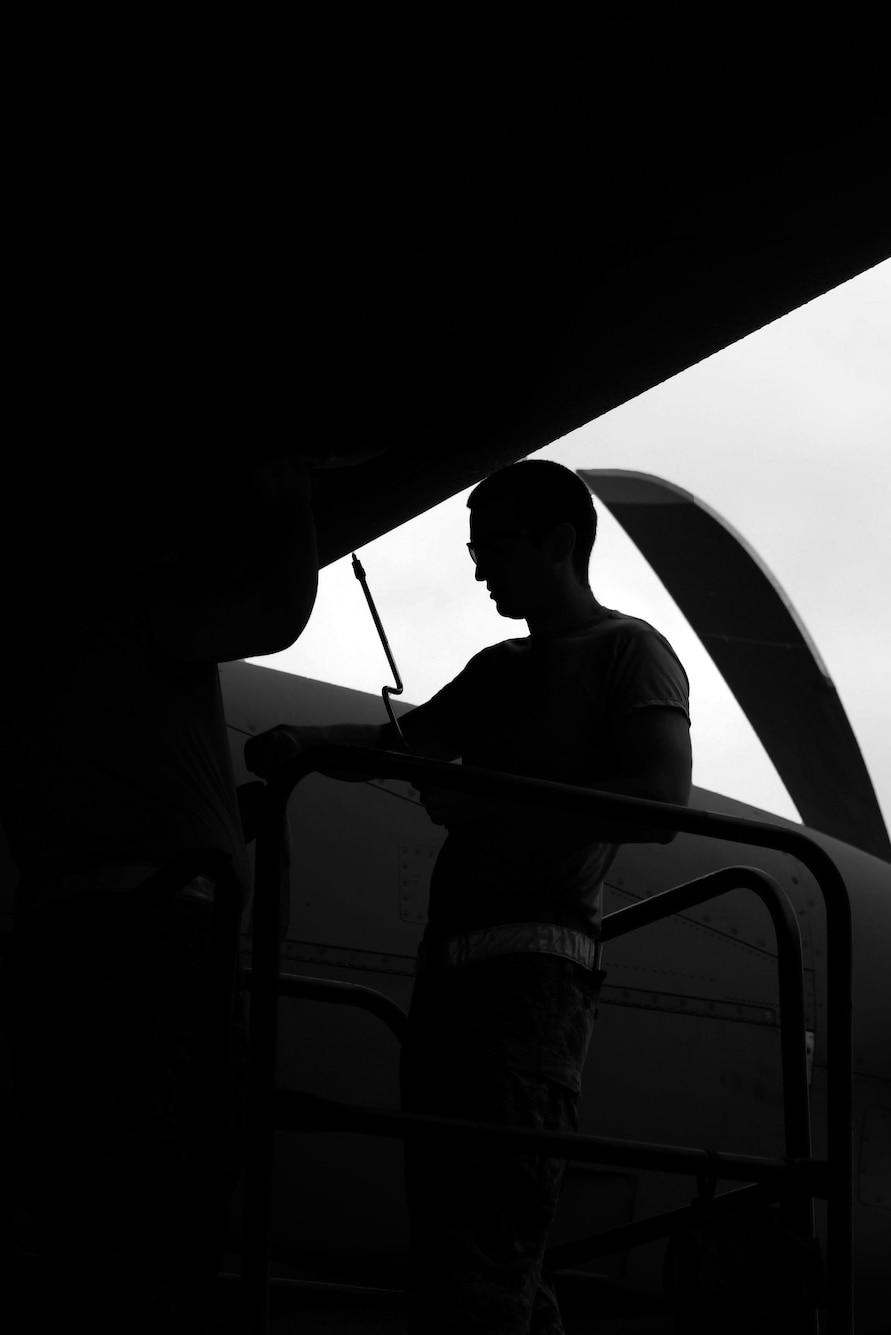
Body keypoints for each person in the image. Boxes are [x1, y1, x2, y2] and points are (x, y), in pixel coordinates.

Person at [245, 458, 692, 1335]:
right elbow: (406, 742)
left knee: (490, 1225)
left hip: (533, 981)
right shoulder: (494, 668)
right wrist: (305, 745)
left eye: (495, 546)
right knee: (468, 1234)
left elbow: (662, 799)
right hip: (451, 982)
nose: (481, 567)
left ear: (561, 541)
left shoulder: (631, 651)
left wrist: (492, 798)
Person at [0, 450, 324, 1333]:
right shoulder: (140, 612)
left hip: (58, 940)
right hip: (153, 944)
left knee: (90, 1205)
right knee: (168, 1189)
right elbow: (278, 610)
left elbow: (128, 789)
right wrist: (290, 480)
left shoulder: (25, 646)